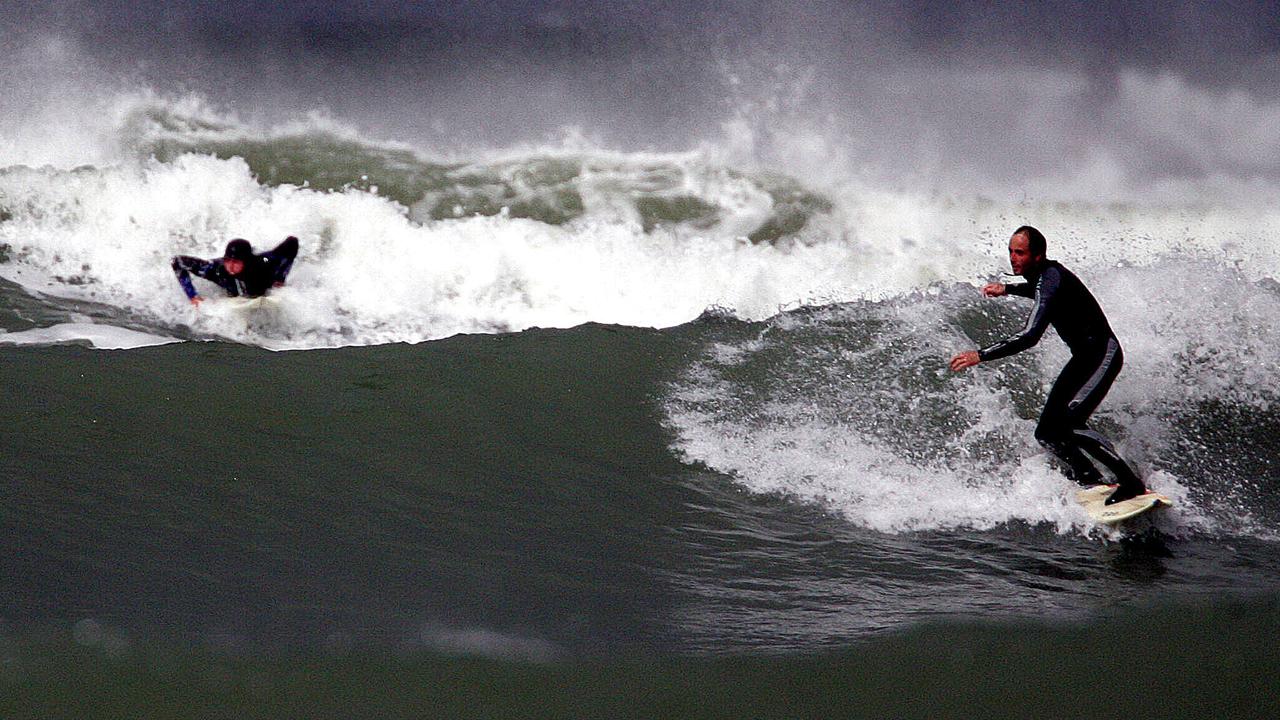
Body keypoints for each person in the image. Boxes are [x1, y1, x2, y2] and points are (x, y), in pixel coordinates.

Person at [949, 225, 1146, 505]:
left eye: (1020, 252)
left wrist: (981, 355)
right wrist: (1007, 289)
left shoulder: (1050, 276)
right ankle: (1089, 478)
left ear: (1038, 255)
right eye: (1011, 251)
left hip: (1103, 354)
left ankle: (1130, 482)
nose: (1013, 258)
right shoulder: (1044, 277)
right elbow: (1040, 291)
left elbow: (1030, 336)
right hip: (1082, 357)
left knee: (1070, 424)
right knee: (1047, 433)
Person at [172, 236, 299, 305]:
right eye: (228, 261)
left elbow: (292, 243)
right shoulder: (217, 270)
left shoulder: (263, 263)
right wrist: (192, 296)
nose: (231, 266)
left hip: (258, 287)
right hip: (235, 292)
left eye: (236, 262)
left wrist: (280, 278)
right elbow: (177, 261)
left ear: (246, 261)